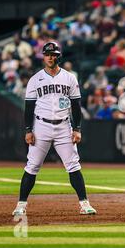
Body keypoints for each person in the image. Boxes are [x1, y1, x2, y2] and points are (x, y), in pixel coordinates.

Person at [11, 41, 97, 216]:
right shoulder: (35, 79)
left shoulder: (69, 78)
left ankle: (84, 204)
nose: (51, 57)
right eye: (48, 54)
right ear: (44, 56)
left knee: (73, 165)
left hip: (64, 126)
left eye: (54, 54)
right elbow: (28, 107)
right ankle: (21, 205)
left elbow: (76, 106)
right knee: (32, 166)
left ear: (58, 56)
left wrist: (77, 128)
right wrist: (28, 130)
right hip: (40, 126)